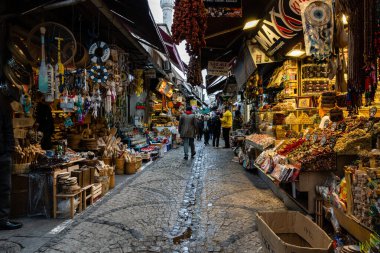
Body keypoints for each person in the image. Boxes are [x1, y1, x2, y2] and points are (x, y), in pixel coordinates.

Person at [0, 82, 23, 230]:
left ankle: (2, 219)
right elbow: (8, 128)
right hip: (2, 152)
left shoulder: (3, 105)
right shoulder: (4, 104)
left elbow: (8, 128)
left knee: (4, 188)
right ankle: (2, 219)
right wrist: (9, 149)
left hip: (3, 151)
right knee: (4, 188)